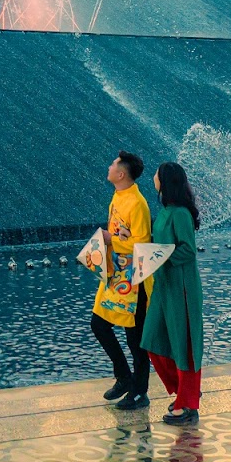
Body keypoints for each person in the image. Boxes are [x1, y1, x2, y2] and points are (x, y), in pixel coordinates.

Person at [85, 150, 152, 411]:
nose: (110, 167)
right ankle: (124, 377)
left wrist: (112, 239)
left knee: (135, 340)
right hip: (115, 277)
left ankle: (140, 392)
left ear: (121, 174)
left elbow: (142, 243)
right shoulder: (117, 197)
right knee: (98, 324)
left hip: (134, 281)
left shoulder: (137, 203)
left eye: (113, 164)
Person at [141, 160, 205, 426]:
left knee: (184, 344)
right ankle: (184, 390)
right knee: (152, 340)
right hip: (163, 285)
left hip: (181, 287)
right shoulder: (166, 211)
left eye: (157, 174)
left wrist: (160, 256)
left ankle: (187, 404)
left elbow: (188, 249)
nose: (153, 176)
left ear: (165, 181)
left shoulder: (180, 214)